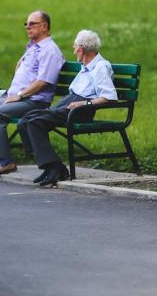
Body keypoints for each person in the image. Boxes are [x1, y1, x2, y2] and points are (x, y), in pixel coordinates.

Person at [0, 11, 65, 178]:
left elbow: (43, 82)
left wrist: (19, 95)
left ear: (44, 26)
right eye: (26, 24)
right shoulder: (33, 48)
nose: (27, 27)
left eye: (32, 23)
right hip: (19, 98)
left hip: (34, 101)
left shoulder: (50, 50)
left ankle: (6, 162)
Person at [17, 29, 117, 187]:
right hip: (70, 104)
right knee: (25, 120)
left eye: (75, 47)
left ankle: (55, 168)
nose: (73, 50)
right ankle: (49, 166)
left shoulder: (100, 67)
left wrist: (84, 104)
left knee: (35, 123)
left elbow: (109, 97)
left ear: (81, 49)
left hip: (80, 110)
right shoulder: (86, 66)